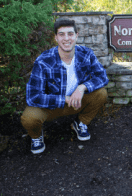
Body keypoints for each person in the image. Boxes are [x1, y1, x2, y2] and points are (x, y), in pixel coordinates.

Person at [21, 19, 109, 154]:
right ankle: (36, 136)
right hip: (51, 106)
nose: (66, 38)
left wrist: (82, 88)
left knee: (101, 93)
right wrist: (65, 99)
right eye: (61, 34)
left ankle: (80, 123)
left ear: (76, 35)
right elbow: (33, 96)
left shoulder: (86, 54)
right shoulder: (44, 60)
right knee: (29, 118)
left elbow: (102, 77)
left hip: (77, 101)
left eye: (70, 34)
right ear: (56, 37)